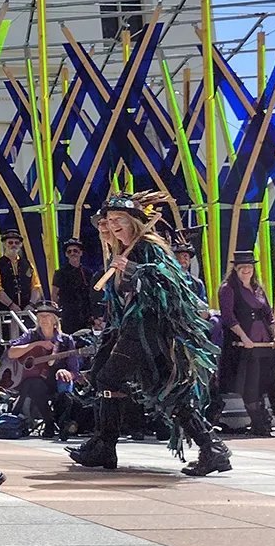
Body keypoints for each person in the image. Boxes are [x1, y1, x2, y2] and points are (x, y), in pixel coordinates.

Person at [68, 192, 228, 475]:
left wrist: (133, 269)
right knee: (150, 386)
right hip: (129, 329)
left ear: (133, 221)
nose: (112, 226)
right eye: (108, 221)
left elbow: (171, 284)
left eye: (118, 220)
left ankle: (106, 446)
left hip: (148, 330)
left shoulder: (147, 248)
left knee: (115, 379)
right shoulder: (122, 252)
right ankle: (210, 447)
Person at [218, 250, 275, 437]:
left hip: (265, 343)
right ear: (236, 269)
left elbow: (269, 315)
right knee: (251, 385)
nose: (246, 270)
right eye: (242, 267)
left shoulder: (258, 288)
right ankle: (260, 424)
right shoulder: (228, 289)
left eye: (249, 267)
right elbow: (228, 317)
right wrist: (244, 337)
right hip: (244, 346)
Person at [5, 301, 83, 441]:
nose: (43, 319)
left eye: (47, 316)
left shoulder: (65, 340)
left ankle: (60, 422)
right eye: (40, 316)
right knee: (33, 383)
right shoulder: (31, 335)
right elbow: (11, 353)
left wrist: (66, 372)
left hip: (57, 382)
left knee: (60, 382)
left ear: (54, 320)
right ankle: (49, 423)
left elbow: (75, 371)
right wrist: (37, 344)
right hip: (37, 382)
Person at [0, 228, 41, 354]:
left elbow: (36, 287)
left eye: (16, 243)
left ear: (21, 245)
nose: (13, 245)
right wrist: (11, 305)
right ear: (4, 244)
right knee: (6, 346)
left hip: (26, 312)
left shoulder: (27, 264)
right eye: (10, 242)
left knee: (28, 345)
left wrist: (31, 305)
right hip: (5, 312)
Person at [51, 237, 96, 334]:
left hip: (85, 315)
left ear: (81, 253)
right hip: (68, 315)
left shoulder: (88, 272)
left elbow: (92, 294)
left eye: (75, 251)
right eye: (69, 251)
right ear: (66, 254)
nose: (72, 253)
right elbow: (54, 294)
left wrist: (93, 314)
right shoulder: (60, 273)